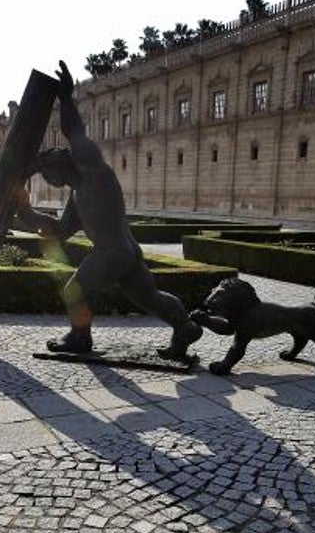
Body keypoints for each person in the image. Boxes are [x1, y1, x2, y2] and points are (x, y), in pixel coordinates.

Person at [15, 61, 202, 360]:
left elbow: (75, 134)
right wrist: (25, 212)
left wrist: (66, 99)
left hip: (112, 252)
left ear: (60, 166)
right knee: (150, 298)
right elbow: (60, 231)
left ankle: (80, 339)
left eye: (46, 173)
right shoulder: (77, 196)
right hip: (127, 252)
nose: (47, 180)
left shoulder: (93, 172)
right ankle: (184, 326)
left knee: (73, 291)